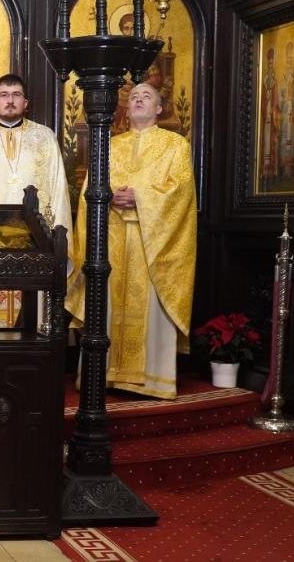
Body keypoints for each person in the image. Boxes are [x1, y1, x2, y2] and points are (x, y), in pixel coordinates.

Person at [66, 82, 196, 399]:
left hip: (153, 243)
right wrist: (108, 195)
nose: (138, 100)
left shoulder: (175, 145)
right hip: (110, 240)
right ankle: (104, 375)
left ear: (159, 108)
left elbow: (181, 191)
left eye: (146, 96)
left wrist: (141, 197)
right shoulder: (109, 145)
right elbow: (89, 190)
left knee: (150, 308)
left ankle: (153, 379)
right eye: (134, 96)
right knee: (106, 306)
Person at [0, 74, 72, 327]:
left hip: (35, 241)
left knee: (34, 315)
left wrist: (57, 239)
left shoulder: (44, 137)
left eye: (16, 95)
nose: (10, 101)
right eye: (4, 95)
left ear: (26, 102)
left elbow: (58, 189)